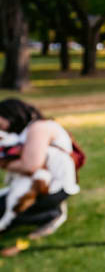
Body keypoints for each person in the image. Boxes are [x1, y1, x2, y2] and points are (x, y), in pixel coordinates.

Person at [0, 98, 79, 239]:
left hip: (51, 189)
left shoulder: (39, 128)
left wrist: (4, 163)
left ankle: (50, 214)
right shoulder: (28, 130)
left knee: (9, 212)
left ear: (9, 115)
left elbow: (30, 166)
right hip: (36, 185)